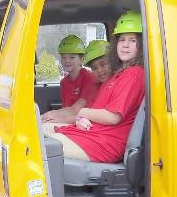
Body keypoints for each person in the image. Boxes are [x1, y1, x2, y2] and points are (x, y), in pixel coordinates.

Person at [44, 11, 145, 163]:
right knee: (40, 131)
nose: (125, 45)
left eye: (132, 40)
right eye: (122, 39)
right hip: (95, 134)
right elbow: (97, 111)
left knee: (34, 145)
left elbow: (112, 117)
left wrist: (83, 112)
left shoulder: (134, 74)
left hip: (105, 143)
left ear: (142, 43)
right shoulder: (118, 76)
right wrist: (82, 119)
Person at [41, 34, 99, 124]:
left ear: (82, 59)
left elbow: (76, 109)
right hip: (74, 120)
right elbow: (66, 108)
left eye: (72, 57)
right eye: (63, 57)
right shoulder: (64, 82)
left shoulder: (89, 78)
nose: (67, 61)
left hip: (87, 121)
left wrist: (52, 115)